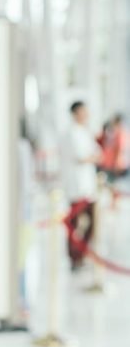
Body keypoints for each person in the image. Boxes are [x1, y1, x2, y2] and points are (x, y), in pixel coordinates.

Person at [62, 101, 100, 270]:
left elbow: (97, 153)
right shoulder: (70, 134)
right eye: (84, 112)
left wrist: (92, 157)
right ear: (76, 113)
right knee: (75, 224)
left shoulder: (84, 132)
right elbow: (82, 157)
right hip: (76, 187)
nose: (87, 115)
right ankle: (74, 258)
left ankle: (81, 254)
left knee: (91, 224)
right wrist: (92, 157)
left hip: (87, 187)